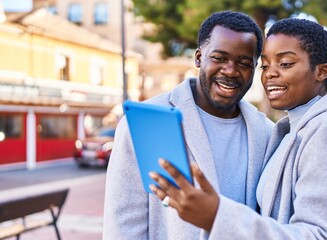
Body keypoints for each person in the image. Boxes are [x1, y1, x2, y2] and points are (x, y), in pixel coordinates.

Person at [150, 18, 327, 239]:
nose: (269, 74)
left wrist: (218, 217)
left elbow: (321, 235)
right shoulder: (292, 130)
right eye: (265, 65)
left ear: (321, 72)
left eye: (285, 64)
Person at [103, 11, 274, 239]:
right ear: (198, 58)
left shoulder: (266, 132)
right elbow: (122, 224)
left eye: (244, 63)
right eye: (219, 58)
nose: (231, 70)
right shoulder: (145, 123)